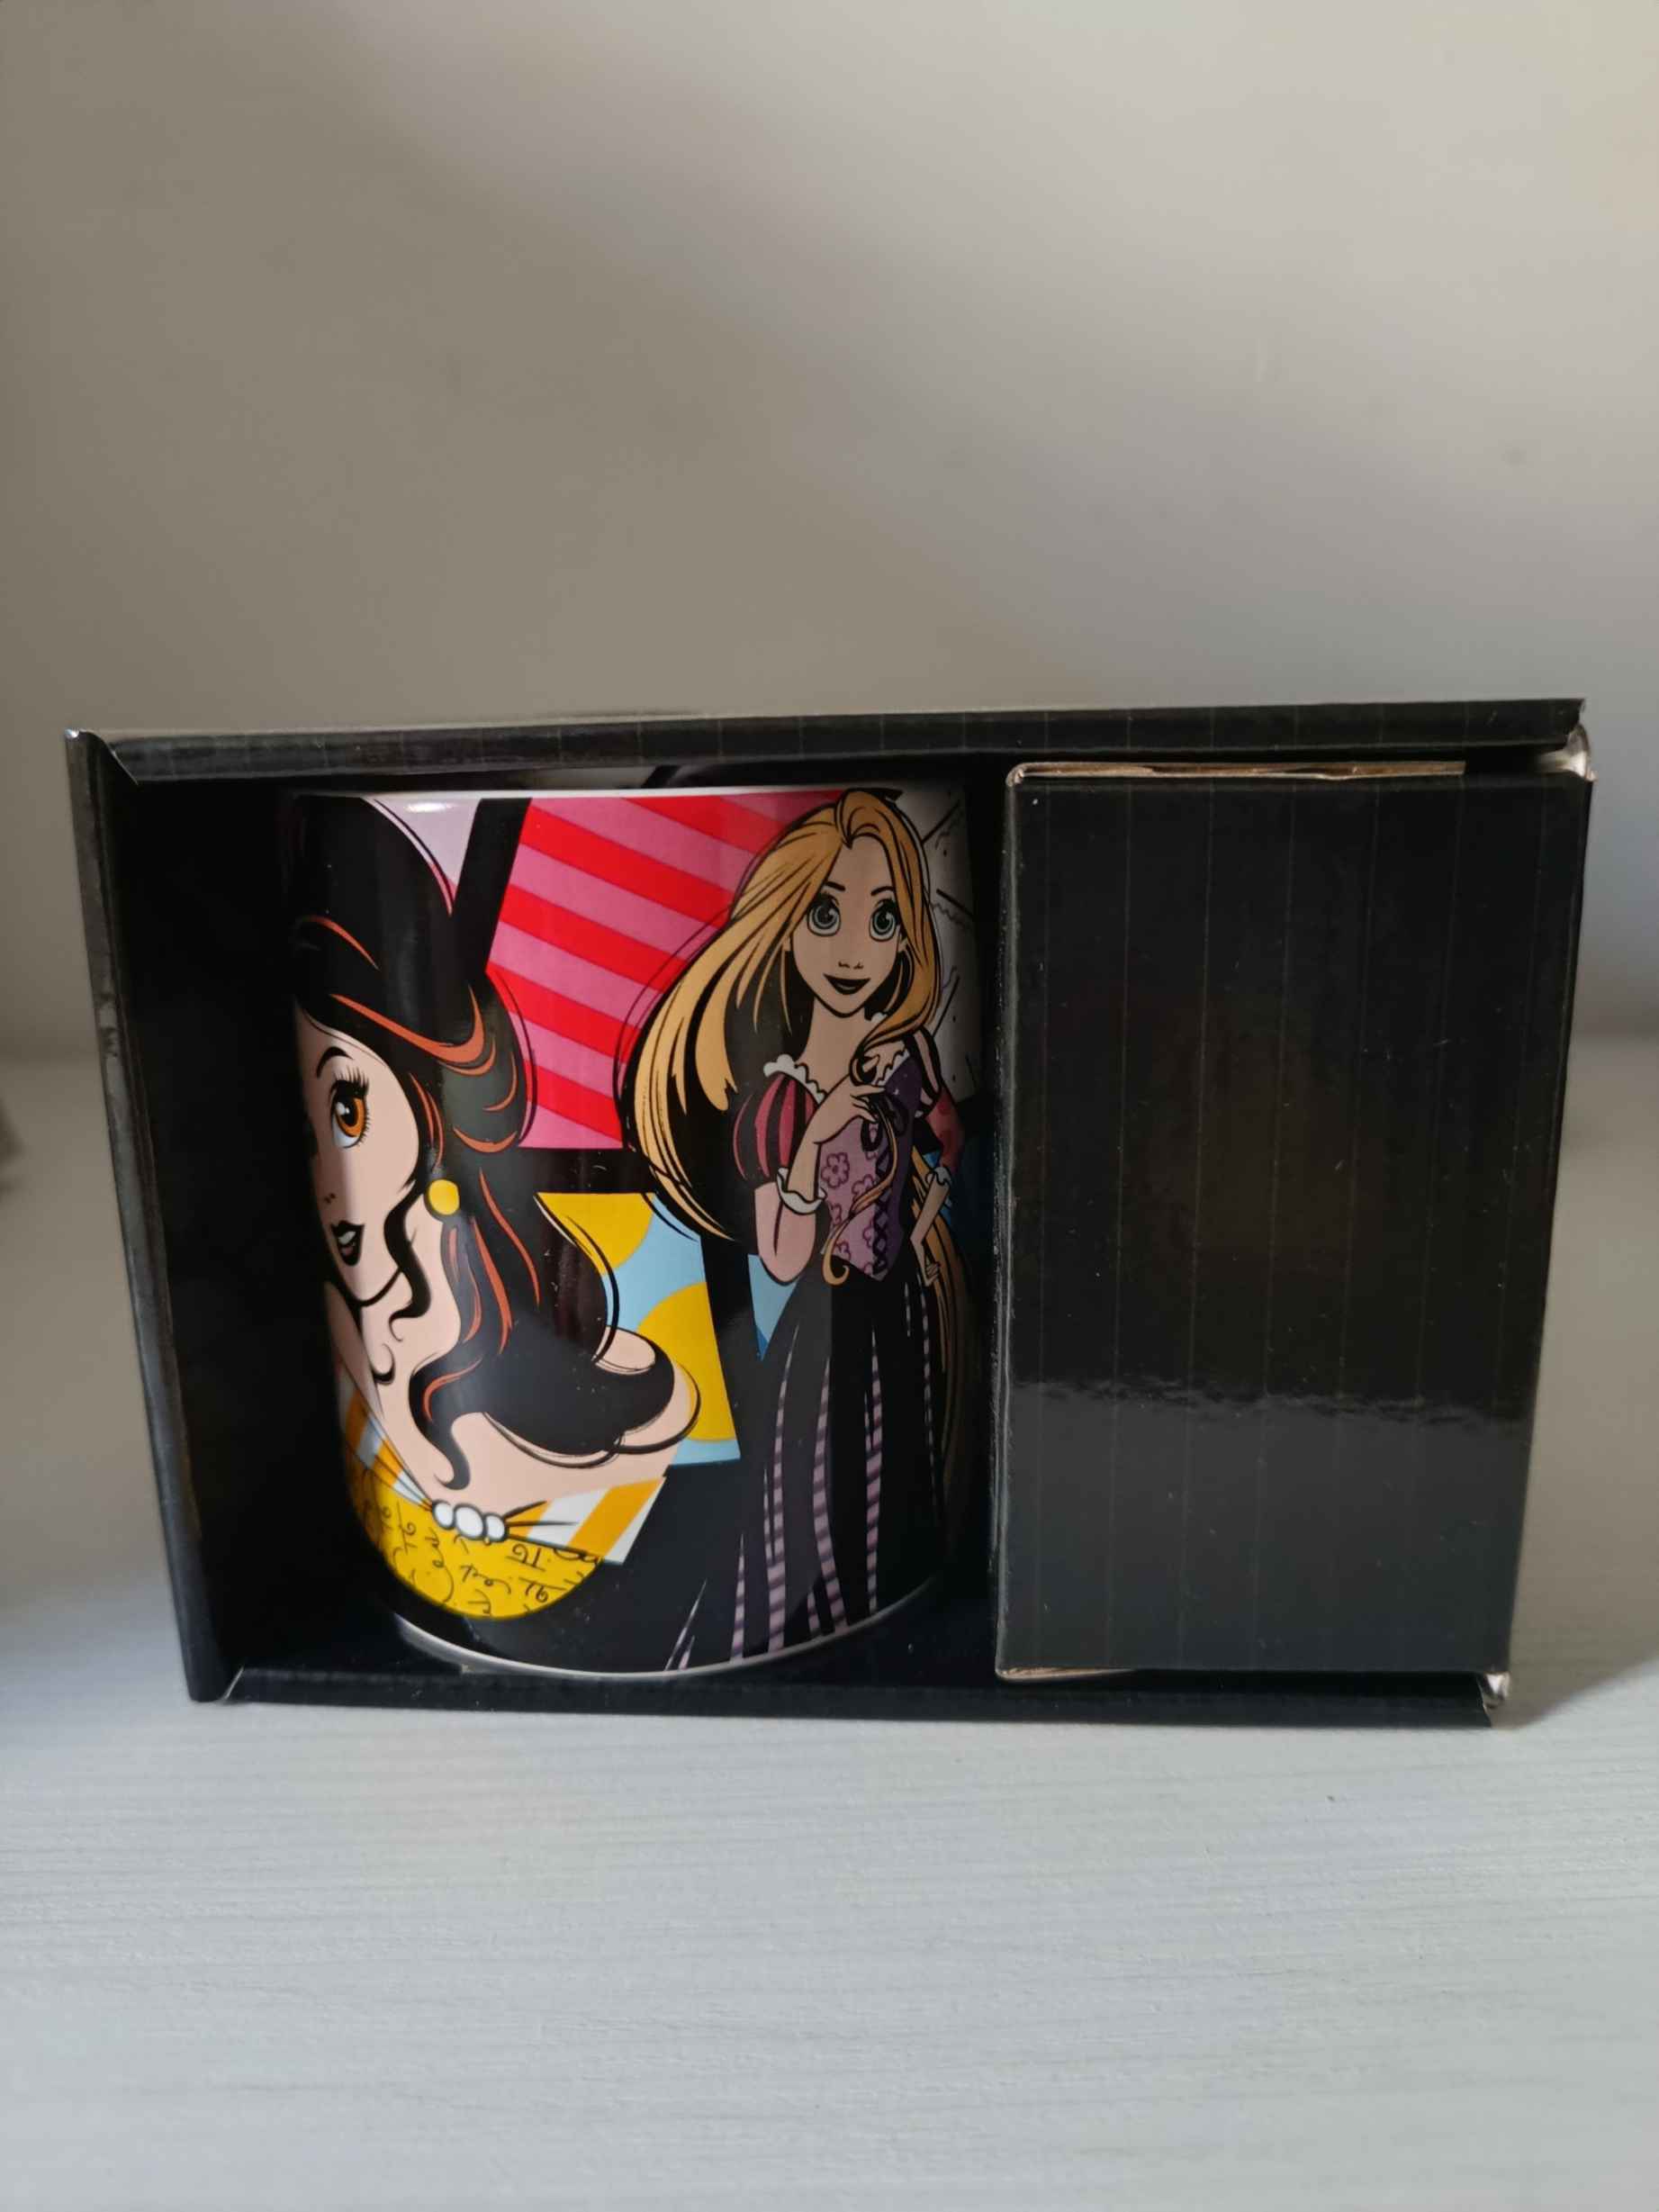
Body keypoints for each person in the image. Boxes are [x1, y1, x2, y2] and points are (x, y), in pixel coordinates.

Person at [289, 797, 697, 1633]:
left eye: (351, 1109)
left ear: (427, 1085)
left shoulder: (552, 1296)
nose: (333, 1175)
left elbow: (669, 1419)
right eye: (314, 1120)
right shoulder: (351, 1312)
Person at [621, 790, 969, 1659]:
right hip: (824, 1333)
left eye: (882, 919)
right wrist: (816, 1138)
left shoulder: (908, 1053)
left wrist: (927, 1213)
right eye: (825, 914)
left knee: (901, 1486)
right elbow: (780, 1258)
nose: (853, 950)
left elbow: (949, 1137)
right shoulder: (775, 1097)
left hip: (903, 1312)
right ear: (784, 926)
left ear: (907, 937)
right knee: (817, 1501)